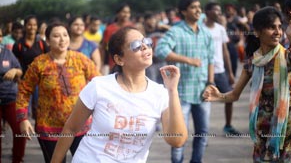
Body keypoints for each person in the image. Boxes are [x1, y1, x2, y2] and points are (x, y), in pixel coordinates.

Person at [50, 27, 188, 163]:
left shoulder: (160, 94)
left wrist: (172, 91)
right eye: (136, 45)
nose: (145, 47)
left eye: (147, 42)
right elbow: (71, 128)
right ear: (119, 59)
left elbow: (177, 140)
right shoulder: (99, 86)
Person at [203, 7, 291, 162]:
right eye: (270, 27)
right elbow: (234, 95)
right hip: (264, 130)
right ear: (257, 32)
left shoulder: (289, 55)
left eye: (279, 27)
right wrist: (218, 96)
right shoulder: (252, 62)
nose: (277, 32)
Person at [16, 22, 100, 163]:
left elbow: (99, 83)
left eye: (65, 35)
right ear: (47, 40)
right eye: (56, 36)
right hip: (50, 130)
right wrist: (22, 119)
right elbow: (24, 91)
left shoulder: (81, 59)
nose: (62, 39)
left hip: (81, 126)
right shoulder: (39, 63)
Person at [155, 0, 215, 163]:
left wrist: (210, 83)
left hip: (202, 91)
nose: (198, 10)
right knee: (179, 136)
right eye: (193, 7)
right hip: (181, 93)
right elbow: (160, 51)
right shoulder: (175, 31)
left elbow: (211, 60)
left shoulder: (206, 33)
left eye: (199, 7)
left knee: (202, 133)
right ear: (183, 11)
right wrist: (187, 60)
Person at [202, 2, 239, 136]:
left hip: (220, 71)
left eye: (219, 10)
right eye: (215, 10)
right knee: (204, 103)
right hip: (204, 72)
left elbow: (225, 52)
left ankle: (228, 126)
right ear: (207, 12)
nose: (218, 13)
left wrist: (230, 73)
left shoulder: (220, 29)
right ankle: (202, 133)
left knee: (229, 98)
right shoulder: (199, 29)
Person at [0, 28, 26, 163]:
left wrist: (15, 70)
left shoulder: (7, 52)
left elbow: (20, 71)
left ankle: (17, 158)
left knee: (19, 130)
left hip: (10, 98)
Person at [101, 3, 134, 73]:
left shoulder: (133, 28)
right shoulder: (109, 29)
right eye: (124, 12)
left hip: (131, 64)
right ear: (117, 13)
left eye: (128, 12)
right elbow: (103, 48)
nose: (126, 15)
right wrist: (102, 63)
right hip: (113, 65)